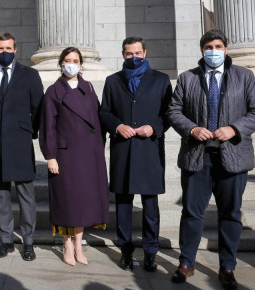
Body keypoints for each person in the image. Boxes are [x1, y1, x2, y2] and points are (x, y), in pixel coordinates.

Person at [167, 29, 255, 290]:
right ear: (202, 50)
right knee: (191, 213)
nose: (214, 50)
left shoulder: (244, 76)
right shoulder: (187, 78)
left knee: (230, 214)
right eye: (209, 46)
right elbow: (173, 110)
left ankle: (228, 266)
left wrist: (234, 129)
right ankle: (186, 262)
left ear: (226, 48)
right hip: (197, 157)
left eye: (218, 45)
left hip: (232, 157)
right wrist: (191, 129)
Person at [99, 37, 172, 272]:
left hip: (149, 148)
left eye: (138, 53)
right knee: (123, 204)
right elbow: (105, 111)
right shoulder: (112, 81)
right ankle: (126, 250)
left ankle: (151, 251)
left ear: (145, 52)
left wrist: (154, 127)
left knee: (150, 205)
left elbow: (169, 113)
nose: (134, 58)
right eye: (129, 54)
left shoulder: (160, 80)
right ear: (123, 55)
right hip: (123, 148)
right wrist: (117, 126)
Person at [39, 47, 109, 267]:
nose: (71, 64)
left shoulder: (88, 87)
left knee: (84, 202)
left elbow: (96, 121)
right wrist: (50, 156)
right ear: (61, 64)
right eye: (67, 60)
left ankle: (79, 244)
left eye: (75, 60)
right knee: (67, 202)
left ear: (81, 64)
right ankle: (67, 243)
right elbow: (47, 127)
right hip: (65, 155)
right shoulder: (53, 91)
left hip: (88, 154)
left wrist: (99, 147)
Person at [0, 32, 44, 261]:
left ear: (15, 49)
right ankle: (5, 240)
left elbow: (38, 110)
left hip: (20, 143)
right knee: (1, 195)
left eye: (8, 48)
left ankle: (28, 242)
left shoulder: (30, 75)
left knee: (26, 196)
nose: (4, 52)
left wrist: (28, 131)